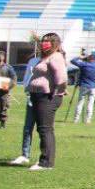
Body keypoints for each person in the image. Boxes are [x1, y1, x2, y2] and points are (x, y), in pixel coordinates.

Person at [26, 32, 67, 171]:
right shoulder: (46, 57)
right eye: (43, 40)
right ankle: (45, 159)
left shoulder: (56, 57)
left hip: (47, 97)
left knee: (45, 129)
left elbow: (61, 79)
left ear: (55, 43)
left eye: (48, 41)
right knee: (42, 128)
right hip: (38, 96)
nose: (44, 43)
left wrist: (57, 94)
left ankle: (46, 162)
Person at [9, 48, 42, 165]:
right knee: (28, 127)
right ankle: (25, 154)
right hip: (31, 97)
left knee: (43, 129)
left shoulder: (52, 60)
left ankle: (44, 157)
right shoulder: (33, 61)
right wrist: (27, 89)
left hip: (45, 99)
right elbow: (27, 76)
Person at [72, 52, 95, 124]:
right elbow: (94, 62)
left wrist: (80, 57)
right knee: (90, 103)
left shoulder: (84, 65)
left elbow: (73, 61)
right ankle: (88, 120)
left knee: (80, 102)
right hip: (93, 87)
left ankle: (76, 119)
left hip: (84, 85)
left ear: (88, 59)